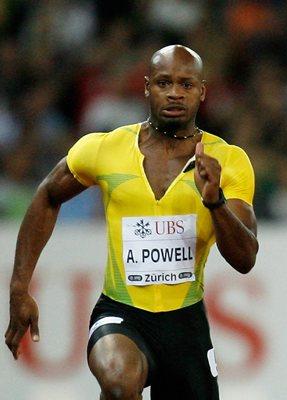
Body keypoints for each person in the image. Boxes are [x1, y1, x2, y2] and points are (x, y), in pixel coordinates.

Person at [5, 45, 258, 400]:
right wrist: (19, 289)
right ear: (146, 87)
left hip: (185, 325)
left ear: (203, 91)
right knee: (120, 383)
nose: (174, 93)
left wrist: (214, 201)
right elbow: (47, 195)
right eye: (163, 82)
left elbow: (245, 259)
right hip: (120, 312)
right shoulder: (104, 148)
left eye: (186, 85)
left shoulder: (228, 161)